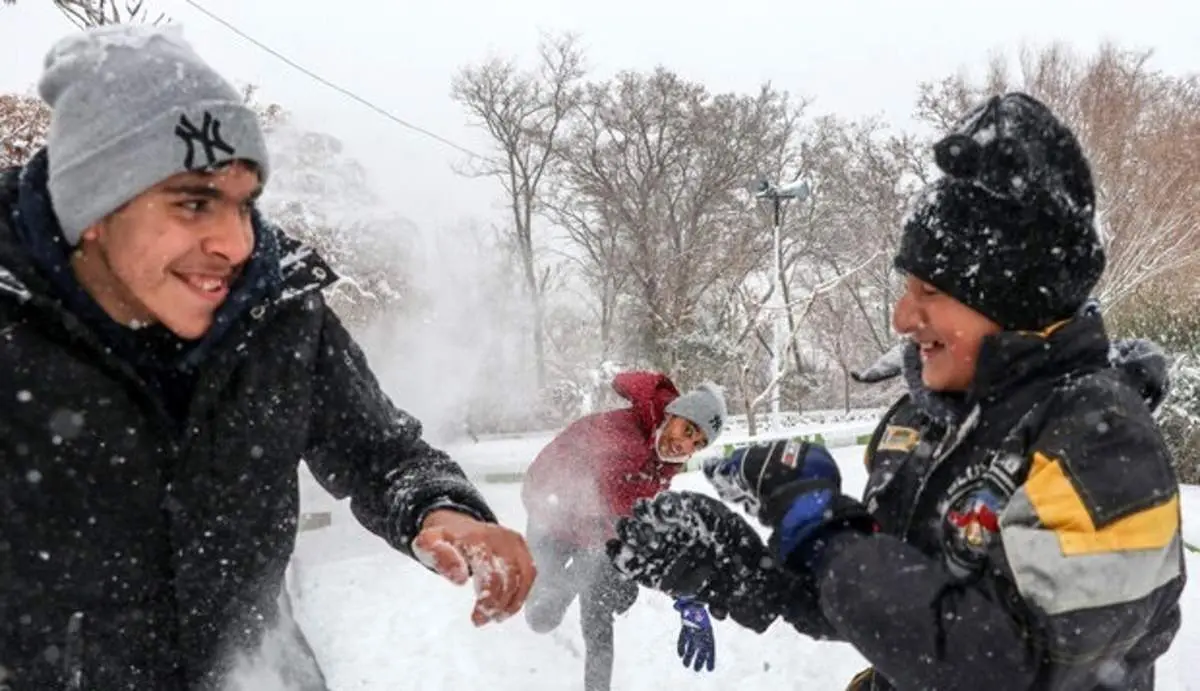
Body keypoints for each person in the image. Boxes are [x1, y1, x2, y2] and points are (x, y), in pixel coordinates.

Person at [0, 25, 534, 691]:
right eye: (194, 202)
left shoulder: (277, 312)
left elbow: (380, 453)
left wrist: (441, 509)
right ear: (95, 210)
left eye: (244, 202)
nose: (235, 242)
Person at [605, 92, 1185, 690]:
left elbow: (1014, 667)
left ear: (1011, 299)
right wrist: (743, 566)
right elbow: (901, 596)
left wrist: (824, 533)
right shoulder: (931, 423)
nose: (902, 318)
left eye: (929, 292)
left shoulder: (1102, 444)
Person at [521, 371, 727, 690]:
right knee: (541, 619)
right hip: (551, 521)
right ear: (672, 414)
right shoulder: (624, 440)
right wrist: (685, 592)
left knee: (605, 608)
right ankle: (569, 581)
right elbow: (633, 521)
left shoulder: (660, 454)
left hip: (596, 530)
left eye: (697, 443)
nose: (685, 445)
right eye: (688, 429)